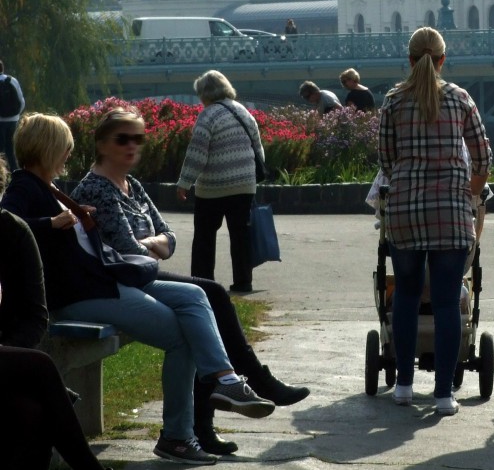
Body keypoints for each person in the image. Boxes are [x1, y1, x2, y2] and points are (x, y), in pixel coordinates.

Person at [0, 113, 275, 466]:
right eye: (65, 149)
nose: (68, 155)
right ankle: (178, 434)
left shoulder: (48, 187)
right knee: (181, 333)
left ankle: (224, 379)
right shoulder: (25, 186)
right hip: (81, 296)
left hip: (100, 284)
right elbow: (9, 226)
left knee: (197, 297)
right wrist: (51, 223)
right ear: (49, 148)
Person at [73, 107, 309, 456]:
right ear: (102, 143)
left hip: (140, 273)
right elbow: (129, 248)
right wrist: (154, 245)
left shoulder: (131, 184)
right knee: (205, 295)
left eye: (138, 138)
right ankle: (231, 388)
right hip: (120, 279)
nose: (132, 146)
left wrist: (152, 245)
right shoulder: (97, 189)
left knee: (204, 297)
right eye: (122, 139)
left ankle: (211, 408)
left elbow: (169, 236)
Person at [378, 27, 492, 415]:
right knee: (446, 302)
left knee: (407, 297)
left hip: (406, 212)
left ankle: (404, 386)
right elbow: (483, 155)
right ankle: (444, 393)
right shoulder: (461, 99)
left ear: (409, 59)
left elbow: (385, 160)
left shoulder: (393, 101)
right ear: (443, 60)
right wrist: (471, 191)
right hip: (452, 214)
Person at [0, 156, 112, 470]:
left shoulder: (13, 232)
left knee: (32, 413)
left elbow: (36, 317)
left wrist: (10, 352)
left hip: (6, 353)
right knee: (39, 366)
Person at [177, 70, 264, 294]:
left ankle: (203, 282)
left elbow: (197, 153)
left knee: (205, 236)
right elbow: (258, 147)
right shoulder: (243, 111)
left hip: (214, 187)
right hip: (244, 184)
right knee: (240, 235)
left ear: (205, 94)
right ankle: (243, 282)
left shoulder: (208, 116)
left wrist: (184, 182)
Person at [0, 60, 26, 170]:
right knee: (11, 151)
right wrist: (16, 115)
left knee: (0, 152)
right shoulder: (12, 80)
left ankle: (2, 176)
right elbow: (21, 101)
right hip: (13, 120)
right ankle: (15, 174)